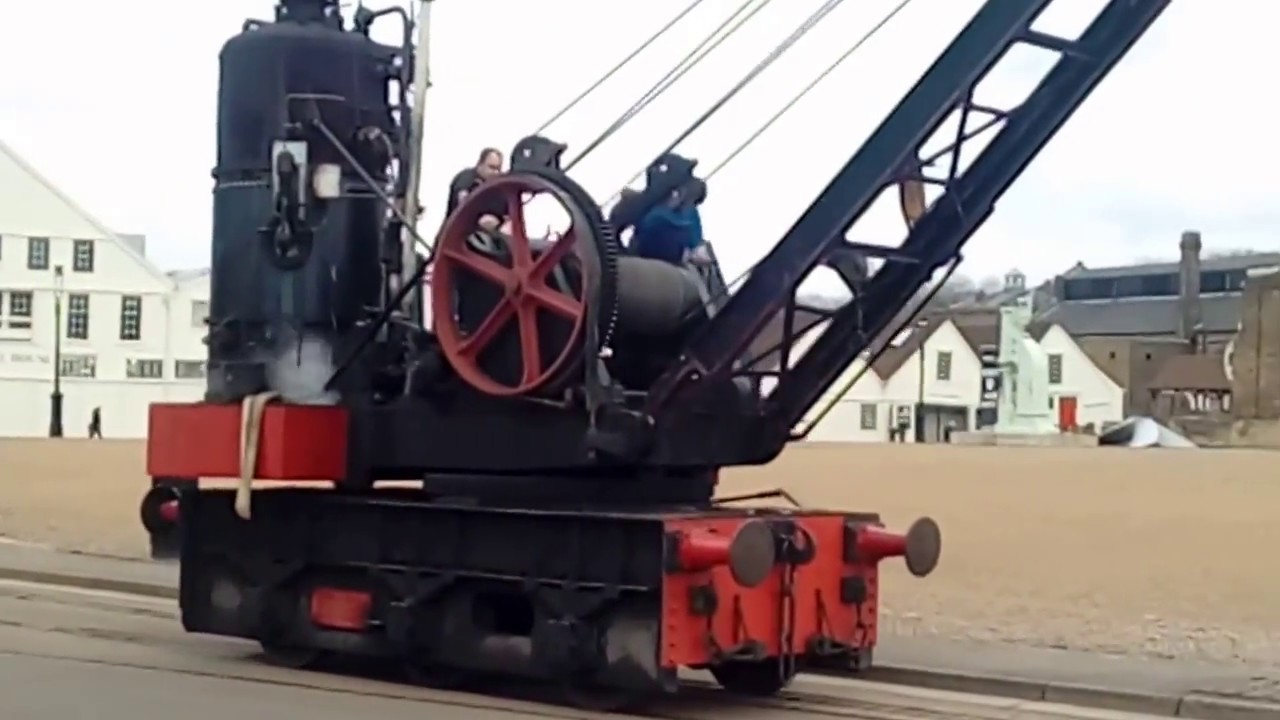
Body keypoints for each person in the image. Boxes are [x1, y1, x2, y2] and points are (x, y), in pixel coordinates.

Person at [630, 183, 709, 266]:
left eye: (694, 200)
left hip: (672, 257)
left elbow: (698, 249)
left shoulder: (690, 214)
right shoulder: (658, 206)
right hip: (651, 250)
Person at [445, 147, 506, 231]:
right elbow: (462, 200)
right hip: (456, 236)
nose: (495, 172)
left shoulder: (500, 187)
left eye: (498, 169)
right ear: (480, 164)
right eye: (491, 167)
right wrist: (477, 219)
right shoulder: (466, 178)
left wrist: (498, 221)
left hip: (488, 238)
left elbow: (507, 215)